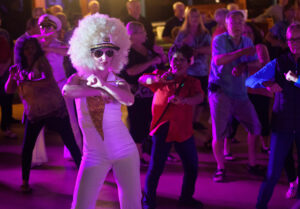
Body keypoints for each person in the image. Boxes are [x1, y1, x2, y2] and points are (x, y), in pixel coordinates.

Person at [63, 14, 142, 209]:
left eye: (109, 52)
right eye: (98, 53)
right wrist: (98, 89)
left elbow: (129, 99)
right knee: (80, 205)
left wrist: (106, 85)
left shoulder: (116, 80)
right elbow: (67, 91)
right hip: (93, 155)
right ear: (87, 53)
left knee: (132, 204)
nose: (104, 58)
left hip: (125, 151)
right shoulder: (78, 78)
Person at [5, 36, 82, 193]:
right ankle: (25, 182)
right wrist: (13, 77)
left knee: (70, 143)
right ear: (21, 50)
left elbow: (47, 80)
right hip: (34, 112)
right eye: (27, 48)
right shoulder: (18, 67)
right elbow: (8, 90)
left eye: (33, 47)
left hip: (54, 109)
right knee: (27, 147)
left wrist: (25, 81)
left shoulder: (42, 61)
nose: (30, 51)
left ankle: (86, 176)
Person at [140, 44, 204, 209]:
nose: (178, 62)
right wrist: (158, 79)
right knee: (156, 168)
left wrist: (184, 101)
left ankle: (186, 198)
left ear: (190, 62)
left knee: (192, 167)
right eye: (175, 59)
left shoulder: (191, 81)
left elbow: (199, 97)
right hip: (162, 130)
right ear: (170, 60)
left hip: (183, 132)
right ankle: (148, 201)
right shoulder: (161, 76)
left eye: (182, 60)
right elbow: (142, 80)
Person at [246, 22, 300, 209]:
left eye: (298, 39)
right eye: (290, 39)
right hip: (282, 123)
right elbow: (251, 80)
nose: (294, 42)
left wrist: (294, 79)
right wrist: (267, 84)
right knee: (272, 173)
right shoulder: (279, 62)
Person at [209, 10, 262, 182]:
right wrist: (241, 55)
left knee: (255, 127)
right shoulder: (219, 40)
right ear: (226, 25)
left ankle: (252, 164)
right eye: (233, 22)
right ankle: (220, 168)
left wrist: (244, 65)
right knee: (219, 134)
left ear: (244, 24)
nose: (237, 25)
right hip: (221, 93)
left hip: (240, 92)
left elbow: (257, 61)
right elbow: (219, 60)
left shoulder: (247, 40)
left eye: (240, 22)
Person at [121, 21, 166, 164]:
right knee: (137, 124)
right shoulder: (127, 52)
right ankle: (137, 157)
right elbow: (131, 71)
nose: (145, 35)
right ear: (132, 35)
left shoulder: (148, 48)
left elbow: (161, 64)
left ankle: (150, 152)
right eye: (142, 32)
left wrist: (161, 55)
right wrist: (151, 61)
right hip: (137, 94)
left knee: (151, 122)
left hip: (153, 92)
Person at [38, 14, 82, 159]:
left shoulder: (59, 44)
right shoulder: (37, 45)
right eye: (43, 27)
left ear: (55, 29)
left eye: (49, 27)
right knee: (37, 122)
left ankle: (74, 152)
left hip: (61, 86)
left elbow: (69, 52)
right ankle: (37, 156)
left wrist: (51, 49)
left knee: (71, 120)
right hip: (43, 88)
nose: (45, 30)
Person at [174, 7, 211, 131]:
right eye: (192, 16)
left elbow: (210, 49)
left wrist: (196, 51)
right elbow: (175, 50)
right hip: (188, 71)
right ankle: (188, 122)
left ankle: (195, 121)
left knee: (201, 96)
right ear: (187, 18)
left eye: (197, 16)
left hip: (202, 69)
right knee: (189, 96)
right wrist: (184, 43)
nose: (195, 19)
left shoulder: (205, 33)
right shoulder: (182, 33)